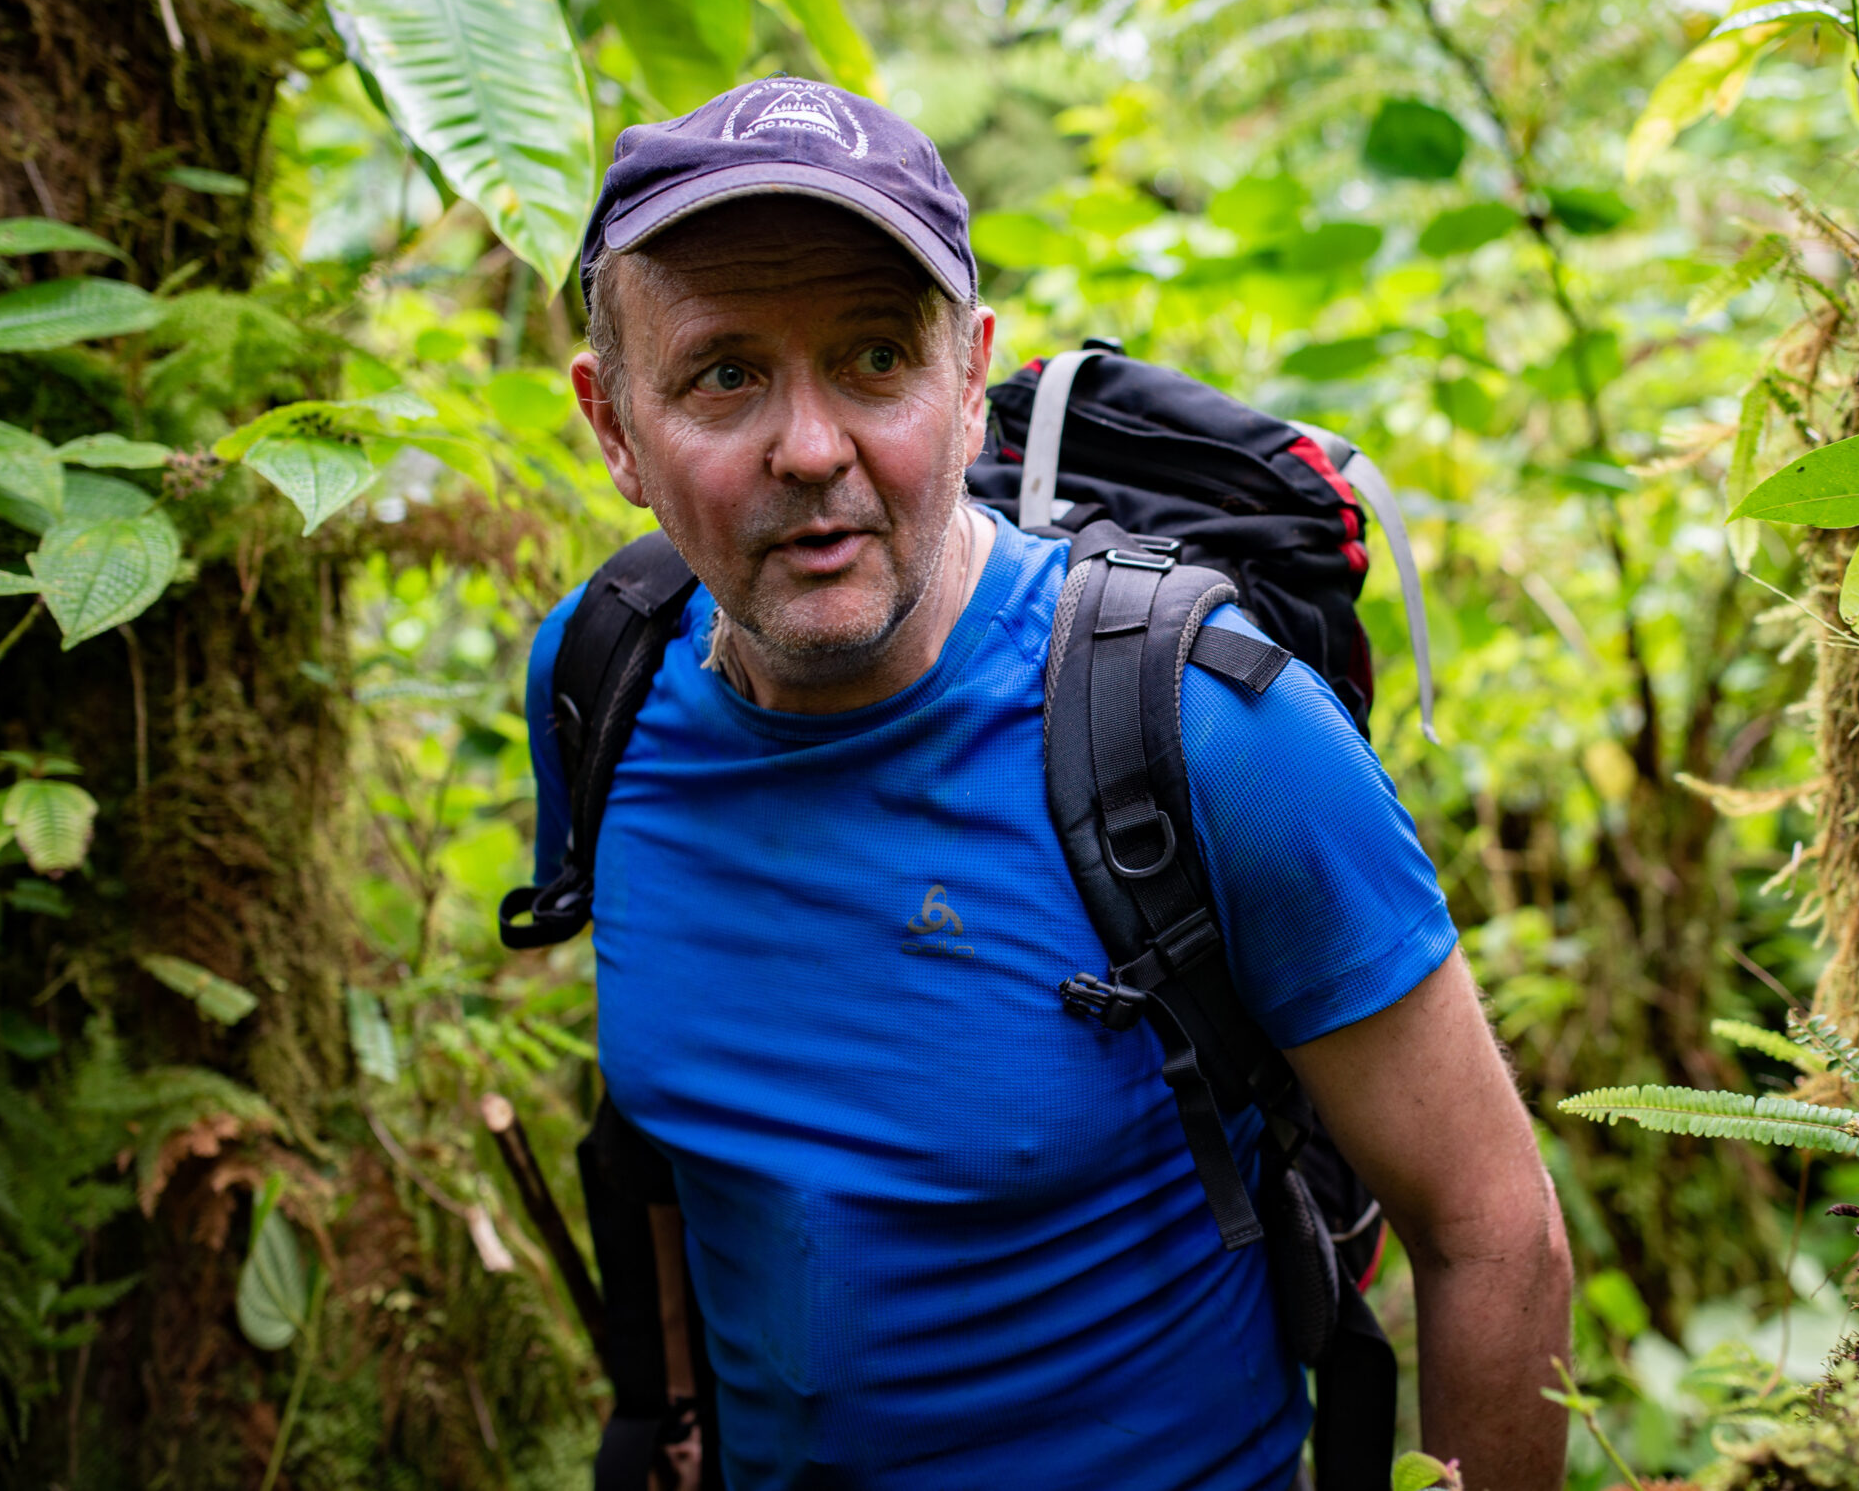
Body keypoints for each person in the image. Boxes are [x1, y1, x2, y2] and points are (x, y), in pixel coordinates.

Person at [530, 75, 1571, 1489]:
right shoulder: (600, 683)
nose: (814, 446)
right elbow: (677, 1125)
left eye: (876, 359)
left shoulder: (1208, 730)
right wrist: (657, 1414)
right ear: (614, 426)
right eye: (725, 372)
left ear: (971, 383)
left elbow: (1491, 1225)